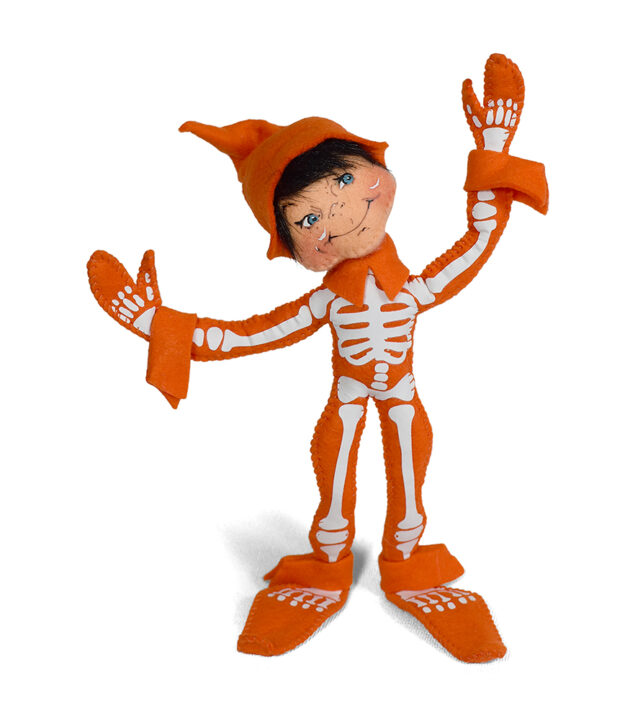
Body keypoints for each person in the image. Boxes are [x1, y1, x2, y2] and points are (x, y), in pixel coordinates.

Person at [87, 53, 548, 662]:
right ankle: (328, 563)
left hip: (401, 396)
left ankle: (407, 559)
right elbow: (247, 335)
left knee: (410, 458)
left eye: (343, 182)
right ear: (291, 244)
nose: (336, 215)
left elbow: (479, 238)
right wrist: (156, 326)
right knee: (334, 460)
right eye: (307, 217)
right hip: (350, 398)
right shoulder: (332, 300)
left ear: (375, 166)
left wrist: (493, 145)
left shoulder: (408, 288)